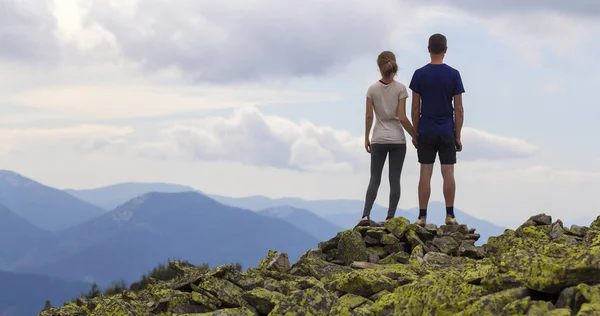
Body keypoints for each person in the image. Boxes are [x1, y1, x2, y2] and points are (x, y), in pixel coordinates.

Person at [409, 33, 465, 226]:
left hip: (426, 128)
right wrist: (457, 135)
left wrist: (416, 131)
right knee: (448, 171)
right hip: (446, 129)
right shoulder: (453, 74)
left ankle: (422, 216)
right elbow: (458, 108)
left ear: (428, 49)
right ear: (445, 50)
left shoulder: (419, 74)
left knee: (425, 171)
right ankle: (450, 215)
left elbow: (415, 107)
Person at [358, 51, 418, 226]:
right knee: (394, 179)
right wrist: (415, 136)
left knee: (374, 178)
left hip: (378, 139)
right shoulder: (400, 89)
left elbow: (369, 116)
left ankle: (365, 215)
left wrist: (366, 137)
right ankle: (390, 217)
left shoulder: (372, 89)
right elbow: (402, 117)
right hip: (398, 140)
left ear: (379, 66)